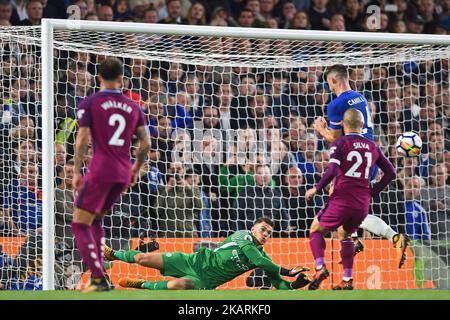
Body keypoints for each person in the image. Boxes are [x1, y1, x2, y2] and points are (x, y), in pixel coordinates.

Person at [313, 64, 409, 268]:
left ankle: (392, 237)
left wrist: (321, 129)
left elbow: (335, 138)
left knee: (345, 208)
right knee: (342, 202)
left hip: (352, 160)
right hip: (368, 157)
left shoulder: (336, 105)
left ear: (332, 81)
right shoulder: (360, 97)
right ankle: (355, 239)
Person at [72, 57, 150, 292]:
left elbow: (83, 139)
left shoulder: (90, 102)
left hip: (101, 169)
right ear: (120, 79)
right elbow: (145, 143)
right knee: (95, 219)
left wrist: (76, 170)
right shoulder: (133, 106)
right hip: (123, 171)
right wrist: (136, 169)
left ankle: (98, 279)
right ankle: (101, 278)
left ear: (98, 78)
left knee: (78, 224)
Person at [305, 108, 396, 290]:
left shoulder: (340, 143)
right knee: (345, 236)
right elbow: (391, 173)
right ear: (362, 125)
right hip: (362, 203)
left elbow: (331, 170)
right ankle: (347, 280)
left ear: (342, 124)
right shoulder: (372, 146)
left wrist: (317, 188)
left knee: (315, 230)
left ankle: (320, 268)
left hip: (342, 199)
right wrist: (373, 191)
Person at [103, 217, 311, 290]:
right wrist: (289, 270)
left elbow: (278, 283)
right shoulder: (242, 236)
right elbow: (255, 258)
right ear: (253, 228)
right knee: (142, 257)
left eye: (269, 233)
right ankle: (114, 254)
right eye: (263, 229)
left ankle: (141, 284)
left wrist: (292, 284)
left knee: (178, 285)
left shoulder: (264, 259)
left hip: (204, 281)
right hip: (190, 261)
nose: (265, 234)